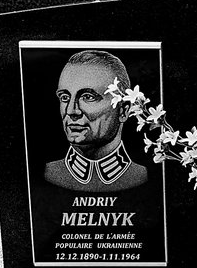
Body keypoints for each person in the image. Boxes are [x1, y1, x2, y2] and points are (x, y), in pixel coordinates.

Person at [44, 50, 148, 191]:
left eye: (88, 97)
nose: (71, 111)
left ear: (123, 110)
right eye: (65, 98)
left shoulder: (142, 177)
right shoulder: (49, 173)